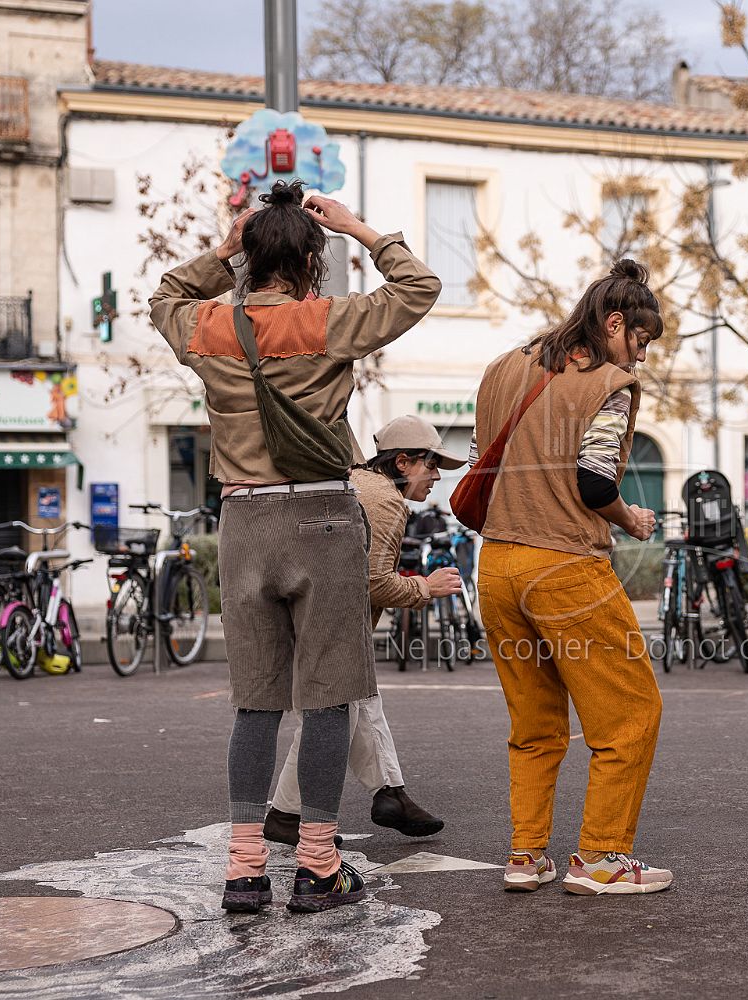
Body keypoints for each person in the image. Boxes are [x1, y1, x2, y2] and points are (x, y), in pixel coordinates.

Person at [149, 180, 440, 914]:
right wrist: (358, 228)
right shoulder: (328, 321)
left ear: (250, 259)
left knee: (256, 705)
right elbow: (419, 287)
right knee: (329, 697)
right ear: (313, 262)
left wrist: (223, 253)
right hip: (322, 519)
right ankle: (317, 864)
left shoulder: (210, 326)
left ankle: (245, 869)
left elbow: (164, 297)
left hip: (244, 523)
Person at [474, 260, 671, 896]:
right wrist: (630, 518)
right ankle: (603, 858)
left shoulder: (506, 366)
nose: (641, 357)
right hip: (564, 566)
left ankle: (526, 855)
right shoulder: (610, 383)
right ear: (614, 324)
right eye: (640, 340)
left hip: (497, 565)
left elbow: (484, 458)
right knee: (631, 713)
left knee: (534, 724)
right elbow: (593, 480)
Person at [264, 415, 465, 847]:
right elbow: (371, 581)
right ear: (403, 462)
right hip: (328, 623)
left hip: (310, 614)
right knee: (330, 716)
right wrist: (425, 587)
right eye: (430, 465)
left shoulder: (360, 483)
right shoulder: (386, 501)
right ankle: (285, 815)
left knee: (360, 702)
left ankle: (390, 794)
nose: (435, 477)